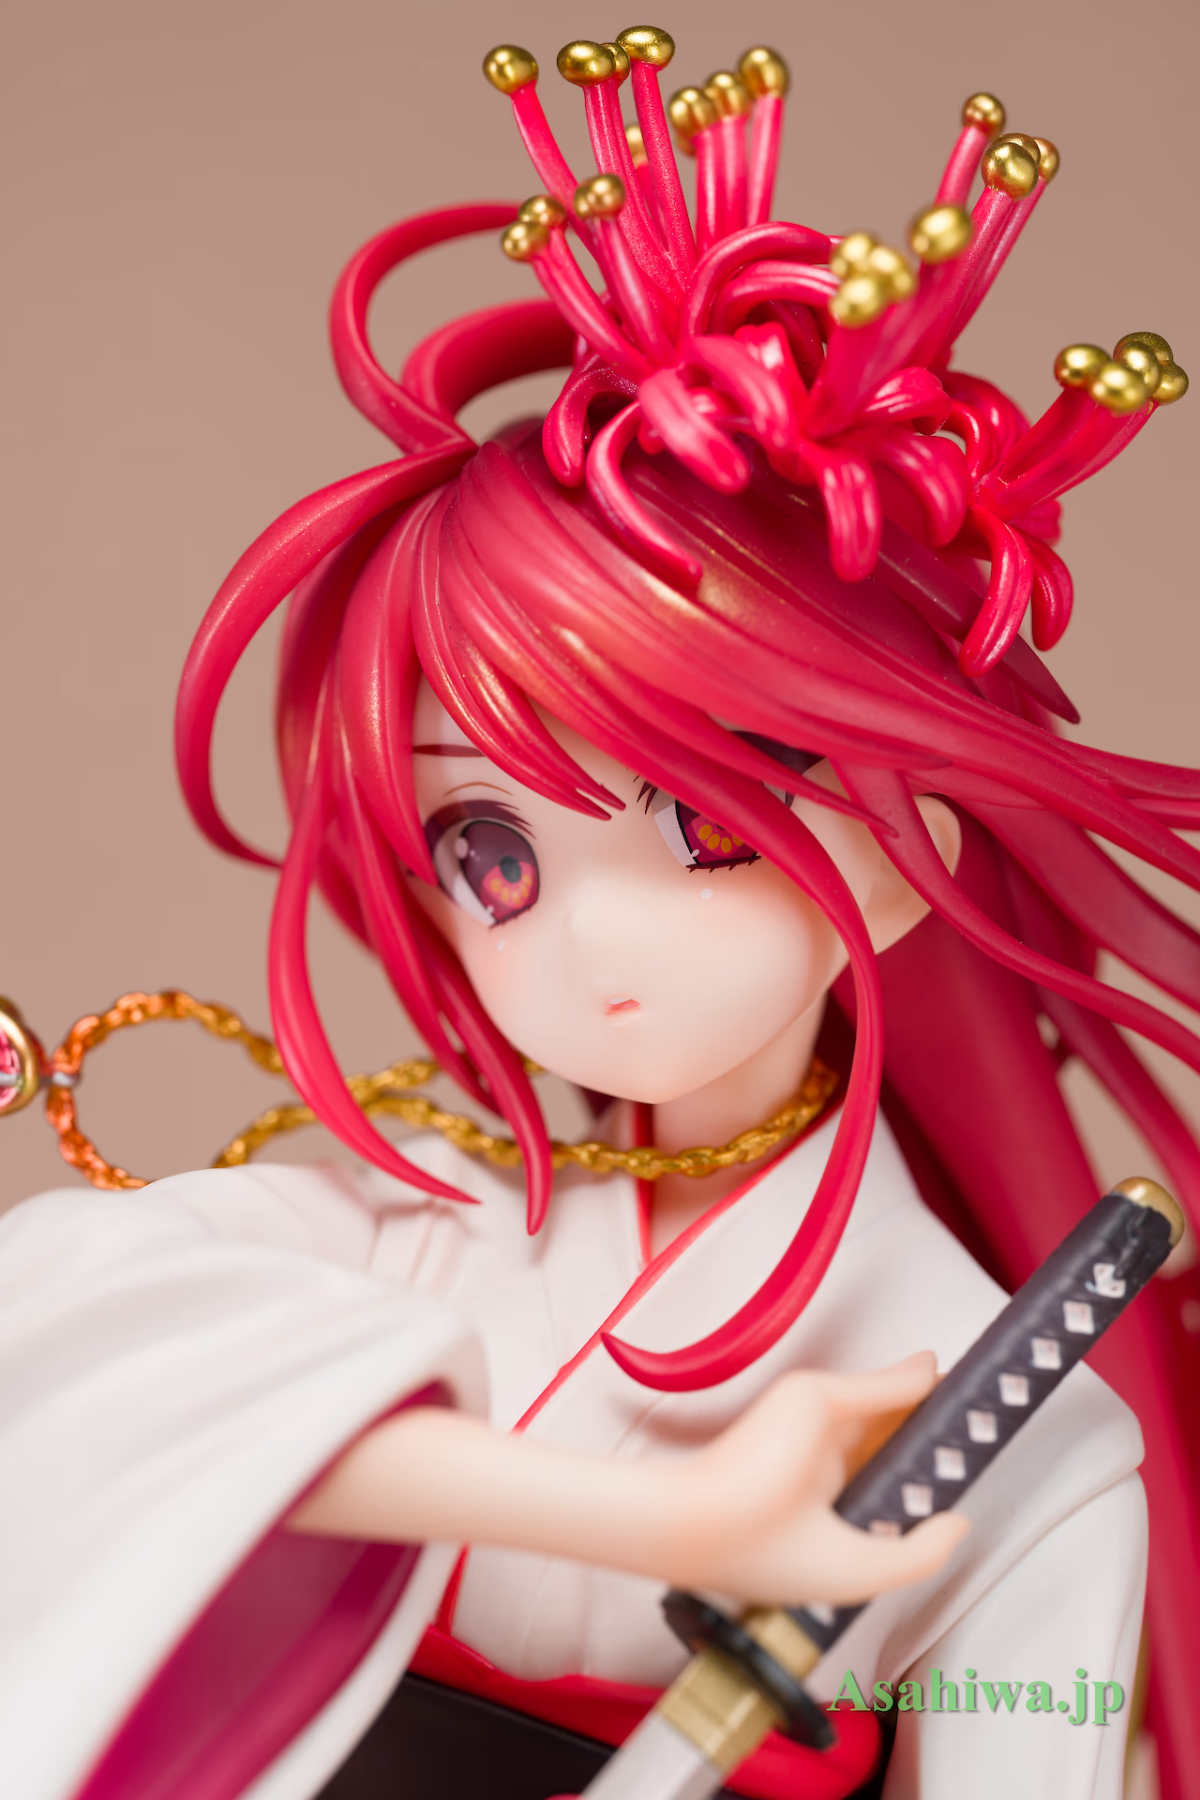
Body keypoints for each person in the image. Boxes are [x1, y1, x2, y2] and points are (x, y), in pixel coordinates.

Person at [1, 25, 1197, 1800]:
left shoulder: (1028, 1438)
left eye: (704, 822)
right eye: (493, 854)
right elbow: (54, 1344)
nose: (586, 938)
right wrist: (656, 1521)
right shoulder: (421, 1229)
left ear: (894, 855)